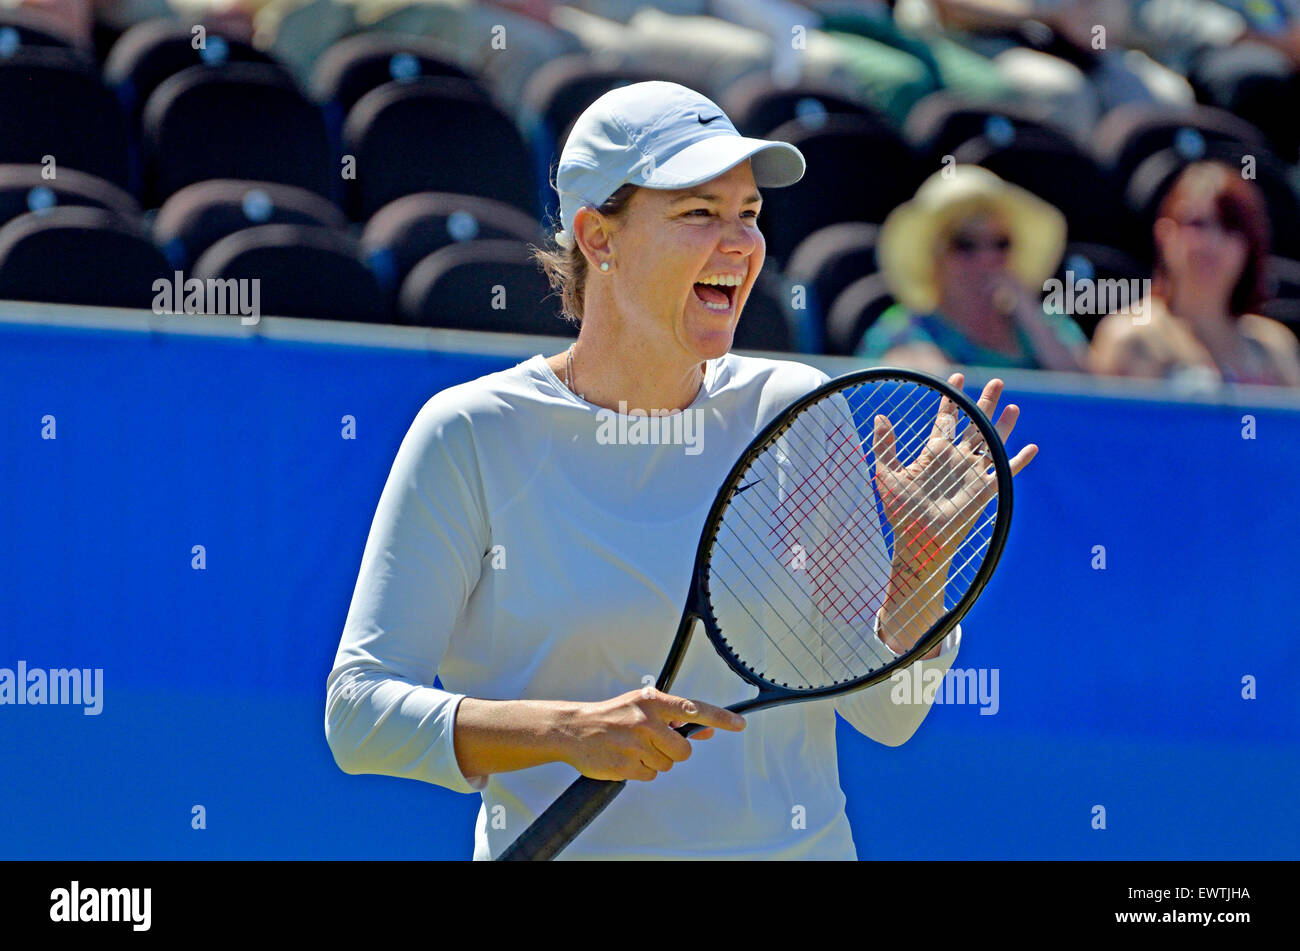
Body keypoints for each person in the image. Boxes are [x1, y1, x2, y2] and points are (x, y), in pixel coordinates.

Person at [325, 81, 1037, 860]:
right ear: (598, 236)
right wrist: (570, 731)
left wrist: (919, 577)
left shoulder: (795, 412)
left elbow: (890, 715)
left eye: (748, 215)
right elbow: (360, 716)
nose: (739, 242)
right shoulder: (471, 433)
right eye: (699, 213)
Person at [857, 164, 1088, 374]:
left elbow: (1092, 398)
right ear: (934, 258)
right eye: (964, 244)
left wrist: (1030, 316)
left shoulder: (1048, 322)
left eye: (1001, 243)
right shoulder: (902, 330)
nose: (987, 258)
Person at [1090, 161, 1300, 386]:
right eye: (1197, 224)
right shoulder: (1129, 338)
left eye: (1230, 227)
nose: (1212, 243)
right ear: (1165, 234)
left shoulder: (1275, 346)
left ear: (1249, 246)